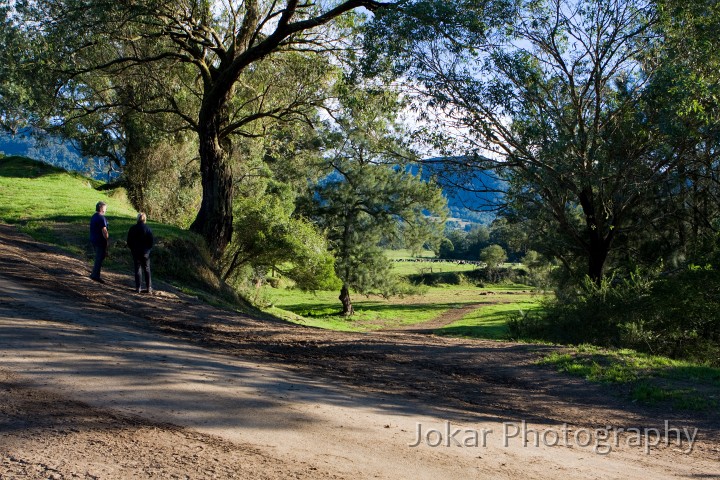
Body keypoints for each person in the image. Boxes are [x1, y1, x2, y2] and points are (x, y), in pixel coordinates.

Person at [127, 212, 154, 294]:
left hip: (136, 251)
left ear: (137, 219)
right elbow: (151, 242)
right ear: (145, 219)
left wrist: (132, 249)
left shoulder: (132, 228)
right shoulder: (148, 229)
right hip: (145, 252)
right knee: (147, 268)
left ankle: (138, 287)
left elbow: (129, 241)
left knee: (137, 268)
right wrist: (148, 250)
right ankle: (149, 287)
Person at [89, 201, 109, 283]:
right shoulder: (101, 218)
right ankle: (95, 275)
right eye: (105, 208)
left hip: (93, 239)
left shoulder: (94, 216)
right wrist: (107, 239)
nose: (106, 210)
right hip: (100, 241)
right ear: (102, 209)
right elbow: (104, 230)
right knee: (99, 258)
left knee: (99, 257)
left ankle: (94, 273)